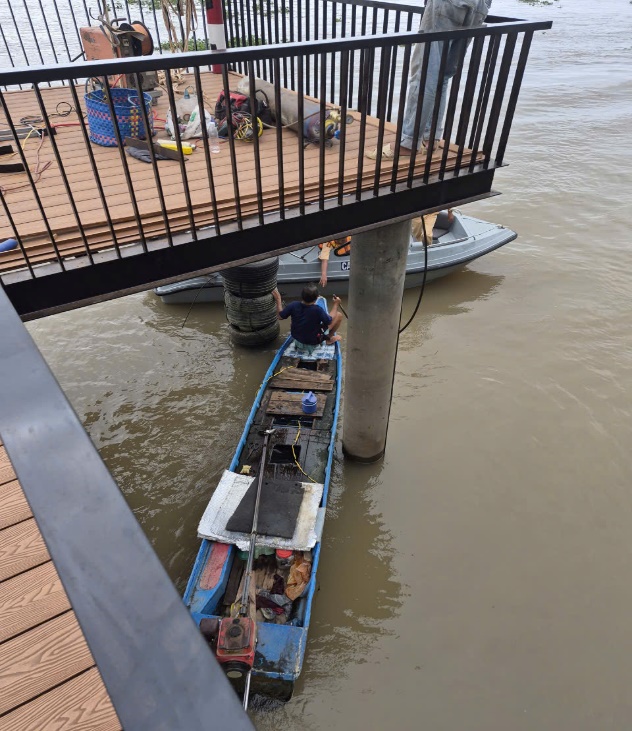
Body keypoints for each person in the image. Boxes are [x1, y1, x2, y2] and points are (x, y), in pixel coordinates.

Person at [367, 0, 492, 159]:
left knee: (424, 74)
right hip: (481, 4)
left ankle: (408, 143)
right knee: (442, 76)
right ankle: (430, 138)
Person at [272, 285, 342, 350]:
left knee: (296, 321)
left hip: (297, 340)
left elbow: (280, 317)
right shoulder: (317, 310)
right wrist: (336, 304)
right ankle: (328, 339)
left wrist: (278, 299)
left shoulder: (293, 305)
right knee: (338, 315)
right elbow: (329, 321)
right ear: (316, 298)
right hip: (313, 342)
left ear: (302, 296)